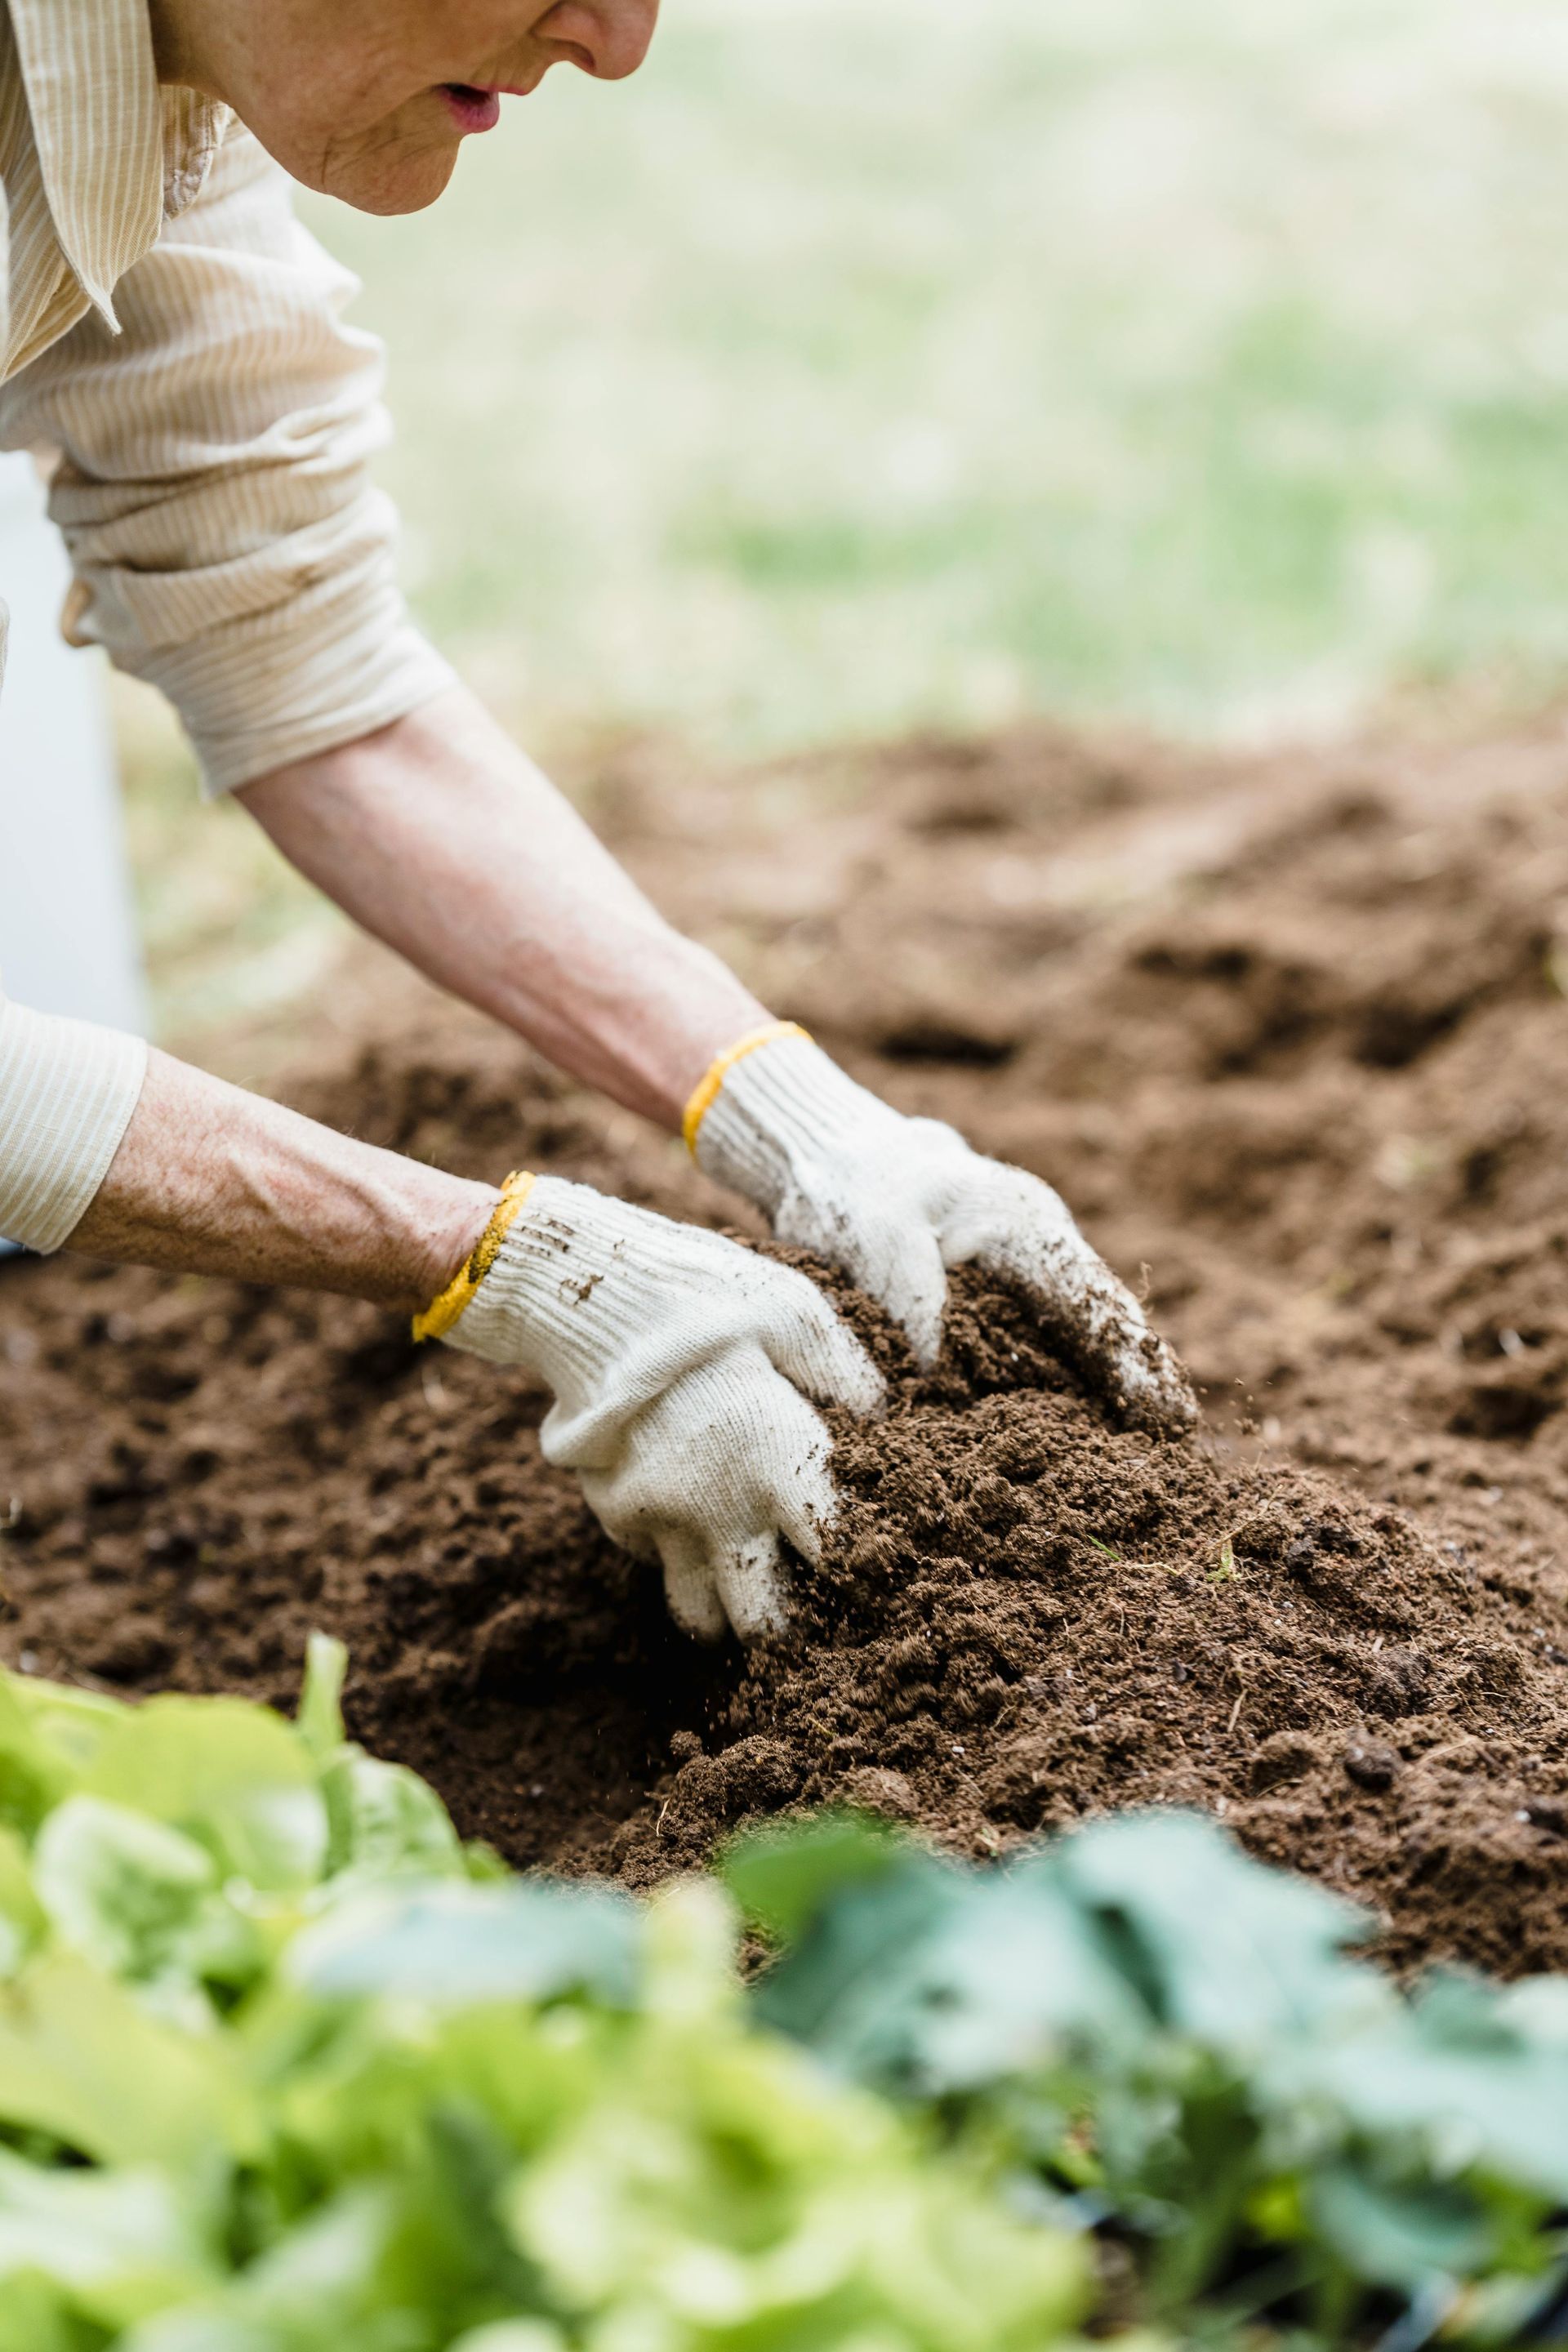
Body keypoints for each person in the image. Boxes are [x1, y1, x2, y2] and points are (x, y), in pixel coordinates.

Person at [0, 0, 1195, 1644]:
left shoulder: (161, 73)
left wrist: (807, 1129)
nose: (619, 40)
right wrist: (503, 1264)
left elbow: (288, 632)